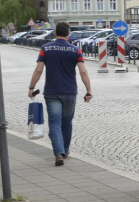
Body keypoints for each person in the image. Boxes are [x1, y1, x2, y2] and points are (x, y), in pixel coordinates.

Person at [28, 21, 93, 166]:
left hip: (52, 92)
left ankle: (58, 153)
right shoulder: (76, 50)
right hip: (70, 91)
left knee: (55, 123)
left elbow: (38, 70)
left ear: (55, 33)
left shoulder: (45, 48)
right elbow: (83, 72)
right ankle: (65, 149)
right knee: (67, 122)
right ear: (69, 34)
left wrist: (32, 87)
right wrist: (89, 90)